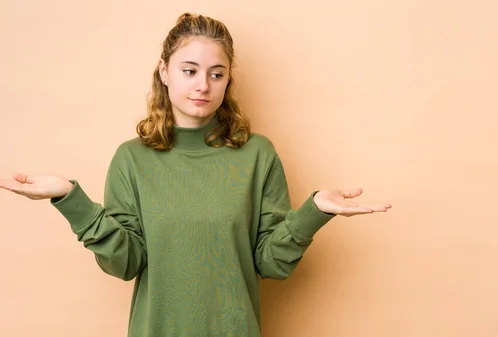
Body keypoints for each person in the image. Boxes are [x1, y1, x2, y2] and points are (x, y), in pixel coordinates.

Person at [0, 12, 391, 337]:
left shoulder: (257, 155)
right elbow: (125, 263)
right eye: (190, 70)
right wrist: (71, 199)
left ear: (227, 80)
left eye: (216, 74)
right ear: (164, 71)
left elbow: (271, 263)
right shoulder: (131, 160)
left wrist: (314, 212)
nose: (203, 85)